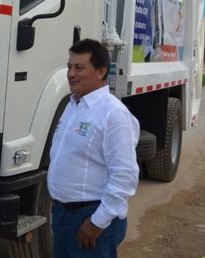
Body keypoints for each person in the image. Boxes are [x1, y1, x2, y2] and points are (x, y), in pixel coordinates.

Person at [48, 39, 140, 258]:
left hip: (90, 218)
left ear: (101, 72)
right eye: (69, 67)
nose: (71, 74)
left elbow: (125, 175)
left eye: (79, 68)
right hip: (63, 215)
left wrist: (98, 222)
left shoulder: (114, 114)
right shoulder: (73, 105)